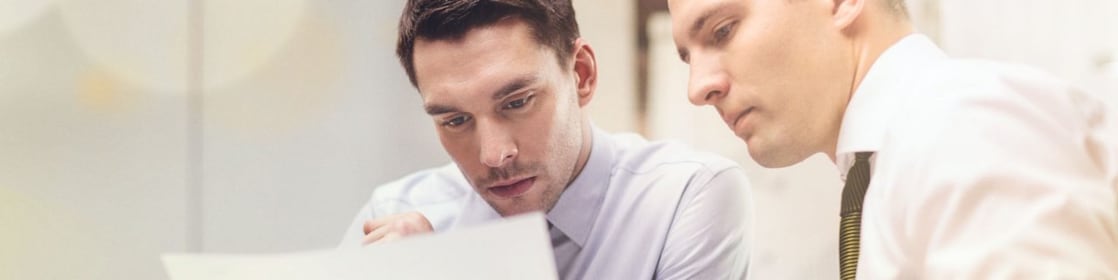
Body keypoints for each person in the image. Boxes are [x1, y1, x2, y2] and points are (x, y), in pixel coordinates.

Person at [668, 0, 1118, 278]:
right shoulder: (886, 170)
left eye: (722, 31)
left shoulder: (962, 122)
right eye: (689, 57)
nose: (697, 88)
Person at [339, 0, 754, 279]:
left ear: (582, 75)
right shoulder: (393, 214)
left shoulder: (686, 198)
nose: (494, 155)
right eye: (456, 120)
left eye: (517, 102)